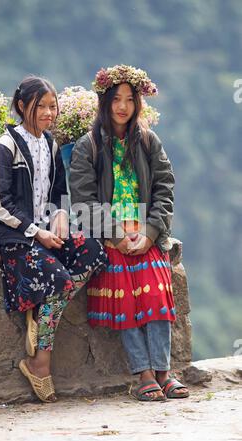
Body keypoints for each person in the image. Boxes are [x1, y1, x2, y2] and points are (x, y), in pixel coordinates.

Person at [0, 75, 107, 403]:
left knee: (95, 250)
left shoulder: (49, 144)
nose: (49, 113)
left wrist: (61, 216)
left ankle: (42, 314)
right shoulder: (2, 148)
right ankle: (40, 362)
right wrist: (37, 232)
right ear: (22, 107)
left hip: (45, 232)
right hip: (14, 237)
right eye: (42, 106)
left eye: (53, 106)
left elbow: (59, 190)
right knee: (61, 283)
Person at [70, 65, 189, 401]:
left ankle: (164, 371)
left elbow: (165, 186)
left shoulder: (149, 140)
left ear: (138, 104)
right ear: (105, 102)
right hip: (110, 236)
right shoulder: (88, 146)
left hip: (146, 233)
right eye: (116, 99)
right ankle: (144, 373)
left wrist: (151, 232)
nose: (122, 106)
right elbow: (82, 198)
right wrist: (116, 234)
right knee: (126, 294)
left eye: (129, 100)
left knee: (154, 291)